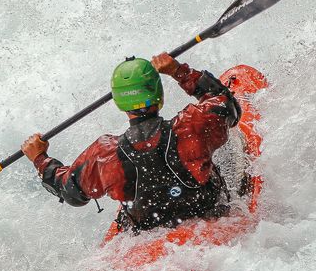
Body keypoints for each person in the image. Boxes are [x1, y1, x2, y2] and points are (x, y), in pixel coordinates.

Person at [21, 52, 241, 233]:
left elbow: (70, 192)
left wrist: (40, 158)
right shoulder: (192, 125)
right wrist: (178, 71)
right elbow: (227, 105)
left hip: (147, 236)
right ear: (159, 95)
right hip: (211, 216)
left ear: (119, 103)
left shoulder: (104, 155)